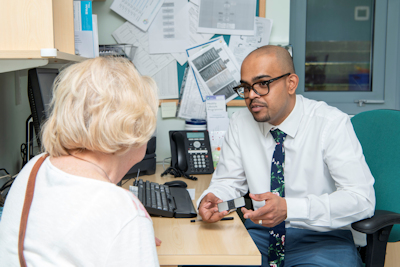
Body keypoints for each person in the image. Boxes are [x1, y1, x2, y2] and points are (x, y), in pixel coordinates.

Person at [197, 45, 375, 267]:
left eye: (262, 84)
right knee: (200, 260)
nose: (251, 95)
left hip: (322, 238)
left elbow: (361, 199)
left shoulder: (331, 124)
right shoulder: (240, 123)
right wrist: (213, 197)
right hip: (259, 235)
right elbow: (229, 182)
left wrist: (290, 208)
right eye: (245, 87)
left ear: (291, 83)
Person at [0, 57, 160, 266]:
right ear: (135, 129)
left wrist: (127, 236)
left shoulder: (34, 167)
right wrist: (131, 227)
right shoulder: (123, 211)